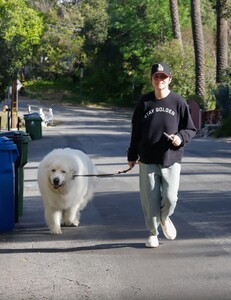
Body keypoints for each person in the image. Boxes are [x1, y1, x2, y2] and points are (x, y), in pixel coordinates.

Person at [127, 62, 196, 248]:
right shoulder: (145, 102)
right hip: (147, 159)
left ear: (169, 79)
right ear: (151, 79)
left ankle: (165, 218)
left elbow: (190, 128)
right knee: (150, 200)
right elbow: (136, 131)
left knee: (170, 198)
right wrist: (132, 155)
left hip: (171, 159)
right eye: (156, 77)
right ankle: (153, 233)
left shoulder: (178, 102)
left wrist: (180, 138)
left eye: (163, 77)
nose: (160, 80)